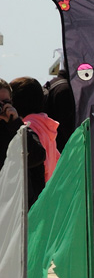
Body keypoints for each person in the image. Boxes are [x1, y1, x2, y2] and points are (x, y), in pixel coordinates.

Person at [0, 78, 46, 207]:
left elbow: (38, 155)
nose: (1, 107)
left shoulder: (18, 130)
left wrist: (15, 124)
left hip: (14, 210)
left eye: (5, 102)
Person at [10, 77, 60, 182]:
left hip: (34, 194)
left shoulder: (27, 128)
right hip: (47, 193)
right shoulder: (46, 126)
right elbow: (57, 161)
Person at [42, 68, 75, 152]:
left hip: (52, 148)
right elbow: (69, 130)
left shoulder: (52, 84)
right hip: (64, 152)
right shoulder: (65, 89)